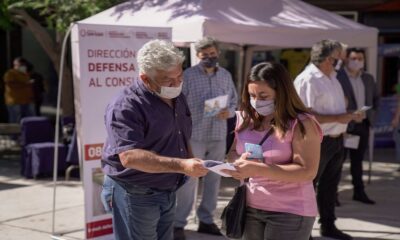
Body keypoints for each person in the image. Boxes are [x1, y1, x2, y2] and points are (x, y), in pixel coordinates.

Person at [101, 39, 208, 240]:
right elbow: (130, 157)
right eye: (168, 80)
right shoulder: (125, 106)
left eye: (179, 76)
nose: (177, 84)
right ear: (145, 78)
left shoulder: (176, 95)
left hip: (167, 188)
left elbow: (180, 133)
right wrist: (182, 165)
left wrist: (192, 161)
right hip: (135, 192)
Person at [222, 62, 322, 240]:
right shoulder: (244, 118)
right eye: (252, 95)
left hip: (290, 211)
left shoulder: (302, 123)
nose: (256, 101)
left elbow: (307, 171)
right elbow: (232, 153)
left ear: (281, 93)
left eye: (263, 95)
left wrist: (257, 169)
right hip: (250, 207)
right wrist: (236, 164)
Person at [294, 40, 363, 240]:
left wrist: (349, 115)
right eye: (337, 58)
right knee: (308, 186)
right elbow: (304, 115)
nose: (340, 62)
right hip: (317, 141)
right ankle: (304, 231)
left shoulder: (332, 77)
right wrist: (337, 118)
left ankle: (328, 225)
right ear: (326, 58)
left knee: (330, 186)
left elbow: (334, 110)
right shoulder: (307, 79)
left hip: (336, 139)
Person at [174, 37, 238, 240]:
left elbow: (234, 102)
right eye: (204, 55)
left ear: (218, 53)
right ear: (198, 56)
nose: (209, 58)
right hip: (195, 135)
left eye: (212, 54)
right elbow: (177, 104)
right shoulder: (188, 76)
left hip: (218, 134)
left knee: (214, 178)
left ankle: (206, 220)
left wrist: (227, 112)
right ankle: (178, 224)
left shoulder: (226, 75)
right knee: (189, 179)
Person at [337, 48, 379, 204]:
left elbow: (375, 99)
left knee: (358, 161)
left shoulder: (368, 78)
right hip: (345, 126)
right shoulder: (338, 77)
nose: (357, 61)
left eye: (360, 58)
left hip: (362, 126)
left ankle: (359, 192)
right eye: (354, 58)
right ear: (347, 59)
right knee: (338, 161)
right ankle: (332, 194)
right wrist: (349, 114)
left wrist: (370, 115)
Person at [3, 57, 34, 123]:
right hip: (15, 101)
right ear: (15, 65)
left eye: (23, 65)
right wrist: (25, 84)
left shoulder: (25, 74)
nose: (22, 67)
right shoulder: (10, 73)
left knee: (29, 118)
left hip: (26, 100)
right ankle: (14, 133)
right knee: (15, 119)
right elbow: (10, 84)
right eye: (20, 65)